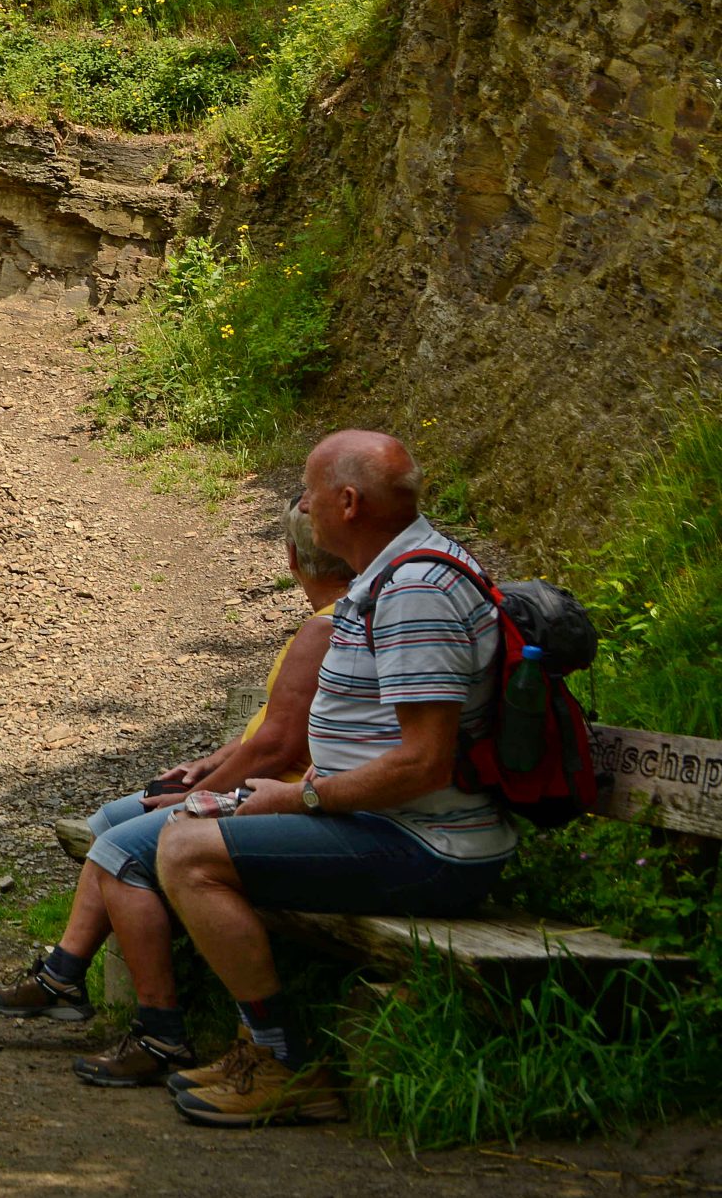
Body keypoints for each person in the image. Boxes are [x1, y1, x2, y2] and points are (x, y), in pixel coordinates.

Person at [160, 429, 512, 1127]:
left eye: (310, 492)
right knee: (190, 828)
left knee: (185, 850)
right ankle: (259, 1046)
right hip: (387, 824)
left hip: (432, 848)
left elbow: (424, 761)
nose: (301, 506)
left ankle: (280, 1060)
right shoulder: (390, 575)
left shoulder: (416, 589)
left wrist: (298, 794)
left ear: (347, 502)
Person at [0, 499, 353, 1085]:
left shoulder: (324, 628)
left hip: (271, 800)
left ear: (292, 559)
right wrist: (206, 766)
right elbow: (271, 734)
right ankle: (64, 977)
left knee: (120, 849)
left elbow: (278, 751)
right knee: (107, 822)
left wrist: (192, 799)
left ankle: (159, 1031)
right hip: (264, 787)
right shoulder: (335, 619)